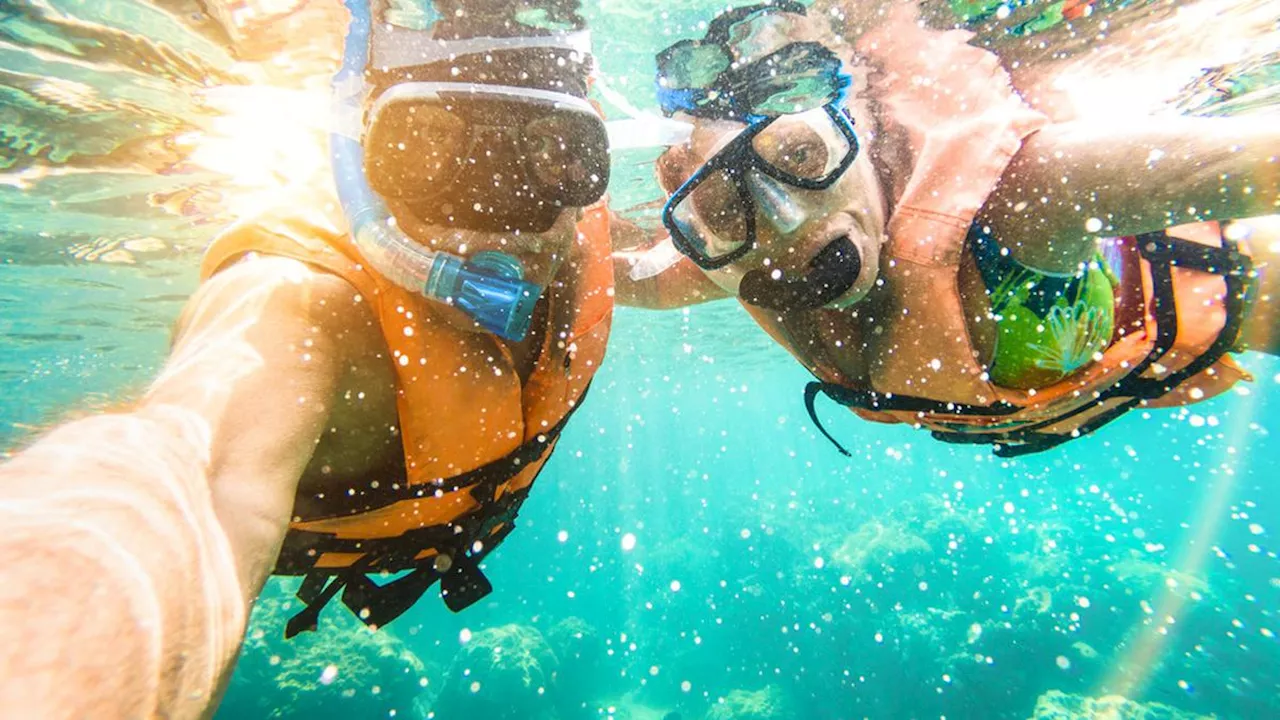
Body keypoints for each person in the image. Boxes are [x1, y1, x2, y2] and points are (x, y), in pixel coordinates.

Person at [0, 0, 614, 716]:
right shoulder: (298, 301)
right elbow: (187, 471)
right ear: (357, 160)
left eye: (554, 155)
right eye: (434, 150)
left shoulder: (571, 238)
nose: (498, 218)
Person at [614, 1, 1280, 457]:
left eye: (801, 157)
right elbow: (631, 281)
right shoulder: (742, 254)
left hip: (1248, 289)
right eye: (730, 209)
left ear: (865, 134)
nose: (786, 223)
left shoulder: (1030, 196)